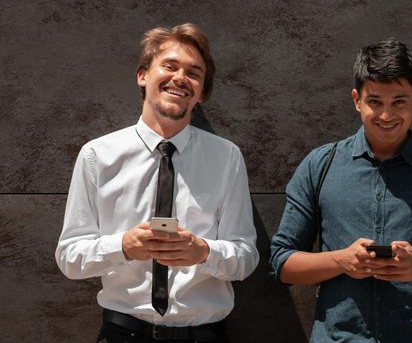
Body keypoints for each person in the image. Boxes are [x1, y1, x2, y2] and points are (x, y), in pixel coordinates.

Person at [270, 39, 412, 342]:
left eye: (398, 102)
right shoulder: (320, 165)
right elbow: (282, 263)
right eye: (375, 102)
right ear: (357, 100)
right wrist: (341, 260)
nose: (386, 116)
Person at [56, 23, 259, 343]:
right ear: (142, 75)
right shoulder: (98, 155)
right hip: (122, 333)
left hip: (203, 335)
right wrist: (123, 246)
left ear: (202, 92)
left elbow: (246, 257)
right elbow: (69, 257)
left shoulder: (226, 158)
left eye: (194, 73)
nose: (181, 77)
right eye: (169, 65)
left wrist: (203, 251)